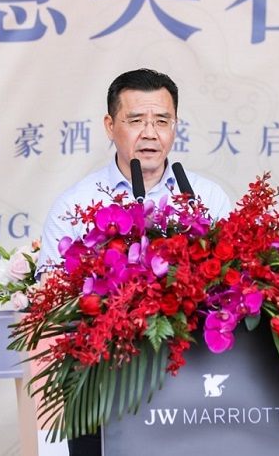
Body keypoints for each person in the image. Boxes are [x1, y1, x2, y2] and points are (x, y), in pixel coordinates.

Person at [36, 68, 232, 456]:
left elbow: (236, 281)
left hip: (197, 385)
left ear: (175, 126)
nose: (150, 133)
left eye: (162, 121)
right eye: (136, 120)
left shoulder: (207, 198)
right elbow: (50, 296)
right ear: (110, 126)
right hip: (105, 389)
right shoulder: (77, 203)